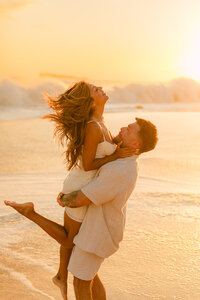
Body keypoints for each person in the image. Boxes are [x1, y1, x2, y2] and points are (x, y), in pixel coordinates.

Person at [4, 81, 135, 300]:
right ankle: (30, 212)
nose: (101, 88)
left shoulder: (101, 122)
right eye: (95, 89)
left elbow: (101, 152)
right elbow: (87, 165)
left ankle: (61, 276)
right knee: (69, 240)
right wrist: (116, 156)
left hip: (87, 186)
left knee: (77, 245)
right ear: (90, 101)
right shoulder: (93, 126)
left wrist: (119, 143)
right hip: (80, 186)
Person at [57, 117, 158, 300]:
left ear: (135, 143)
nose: (122, 128)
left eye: (128, 129)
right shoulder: (124, 163)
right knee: (91, 279)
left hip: (97, 235)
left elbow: (82, 198)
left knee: (81, 283)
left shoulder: (120, 170)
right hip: (101, 231)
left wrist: (63, 198)